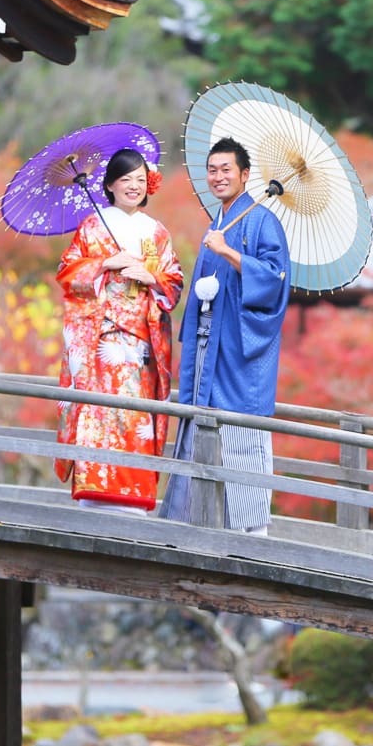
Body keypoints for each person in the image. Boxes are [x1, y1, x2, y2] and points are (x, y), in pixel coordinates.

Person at [159, 136, 290, 533]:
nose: (217, 177)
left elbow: (274, 280)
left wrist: (231, 253)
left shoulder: (263, 220)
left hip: (238, 353)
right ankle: (194, 522)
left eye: (226, 169)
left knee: (240, 431)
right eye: (212, 170)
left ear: (245, 175)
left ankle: (251, 531)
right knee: (199, 427)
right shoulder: (219, 222)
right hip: (206, 350)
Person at [54, 147, 184, 513]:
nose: (134, 186)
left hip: (141, 342)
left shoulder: (157, 232)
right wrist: (105, 263)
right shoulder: (92, 226)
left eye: (141, 180)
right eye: (125, 179)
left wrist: (151, 277)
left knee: (135, 417)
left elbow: (173, 283)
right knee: (100, 412)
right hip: (102, 339)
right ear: (109, 185)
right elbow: (67, 273)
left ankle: (135, 497)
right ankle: (95, 496)